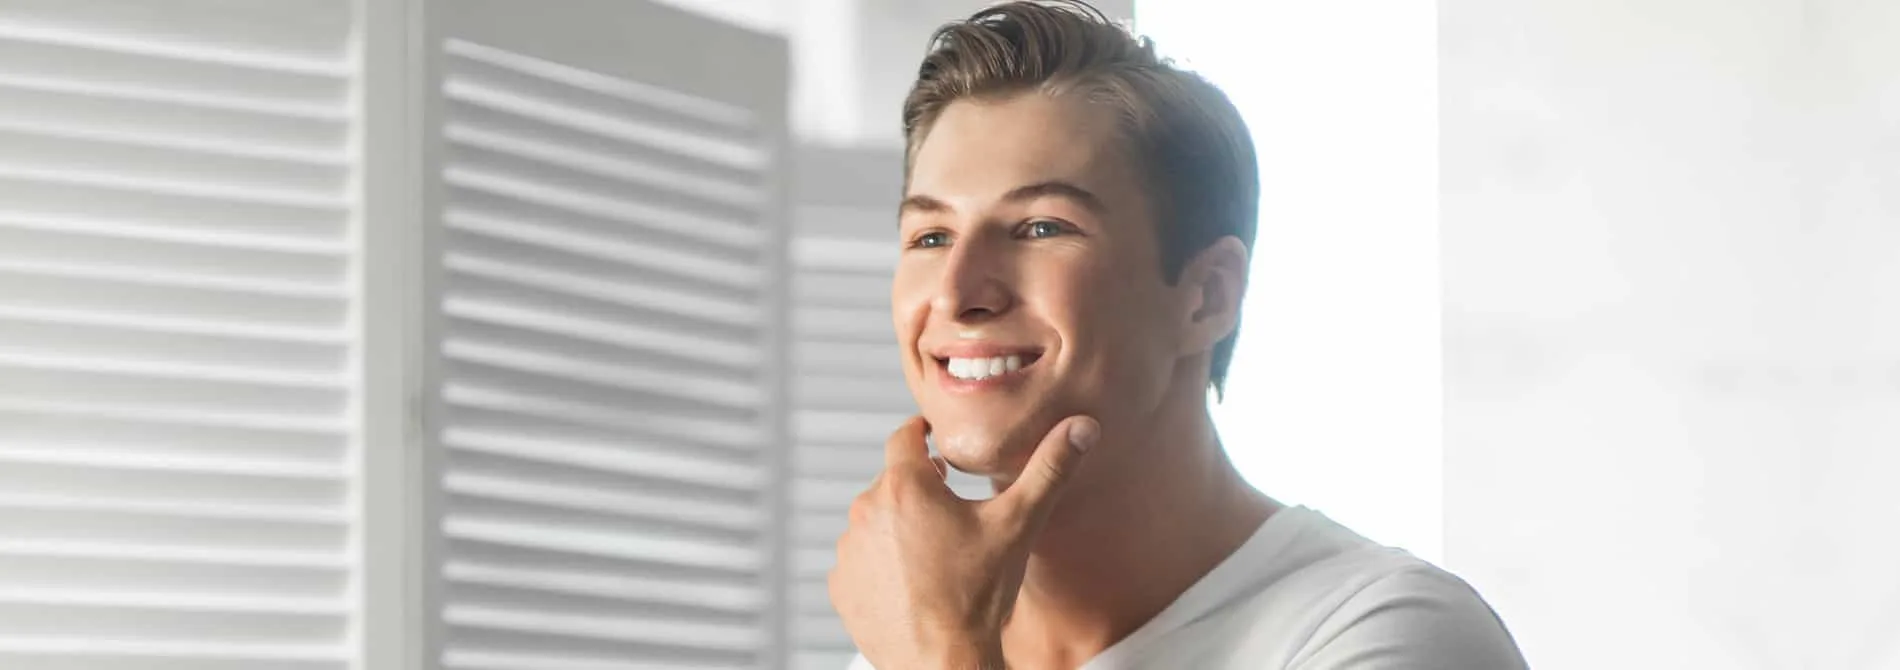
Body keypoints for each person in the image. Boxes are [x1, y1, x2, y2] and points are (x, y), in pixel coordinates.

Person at [827, 2, 1528, 668]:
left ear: (1207, 295)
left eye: (1042, 227)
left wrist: (944, 652)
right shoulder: (898, 650)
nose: (956, 291)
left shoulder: (1391, 631)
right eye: (930, 235)